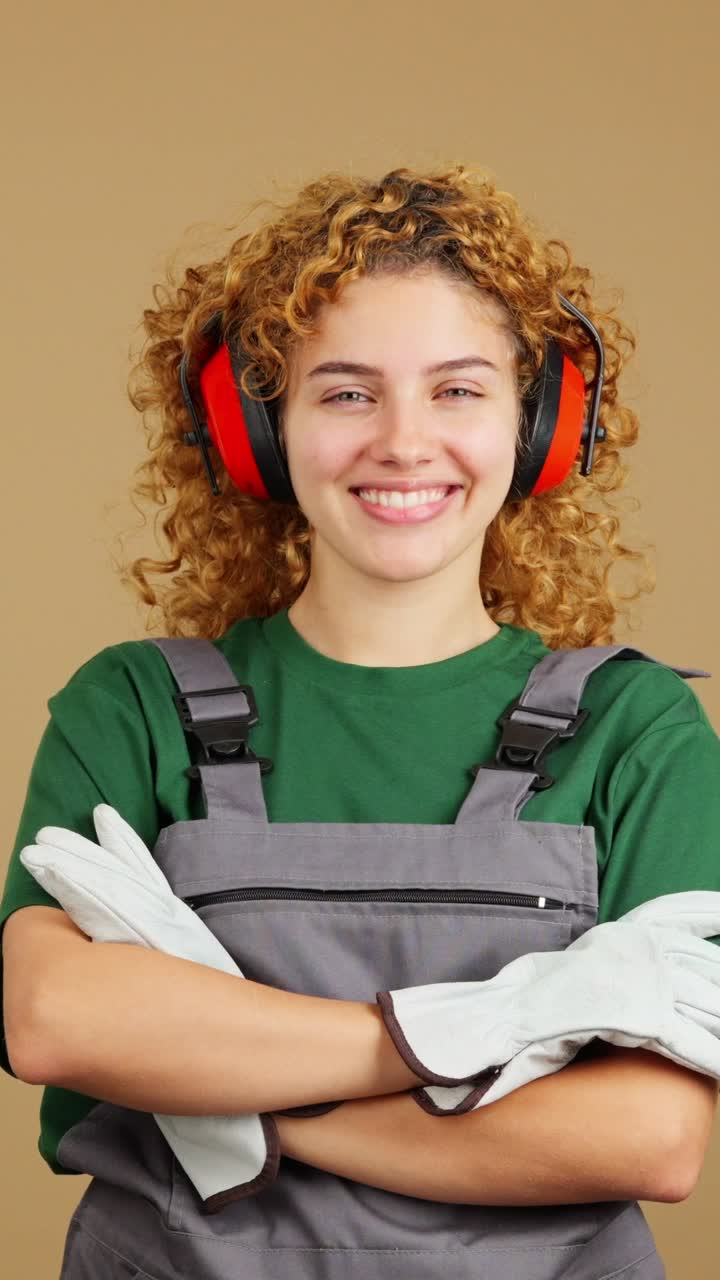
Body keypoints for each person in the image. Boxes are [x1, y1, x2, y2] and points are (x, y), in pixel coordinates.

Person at [2, 163, 719, 1280]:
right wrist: (467, 1037)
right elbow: (52, 1015)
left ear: (537, 426)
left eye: (459, 389)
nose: (402, 440)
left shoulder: (638, 728)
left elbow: (650, 1135)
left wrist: (229, 1101)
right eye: (345, 391)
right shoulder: (133, 706)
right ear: (257, 427)